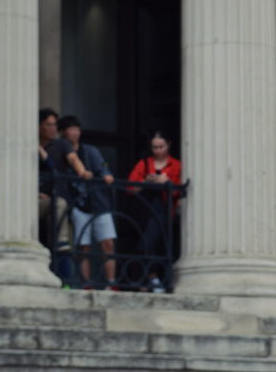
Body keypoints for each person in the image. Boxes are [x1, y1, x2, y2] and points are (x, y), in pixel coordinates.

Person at [51, 115, 118, 288]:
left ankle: (112, 283)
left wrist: (106, 175)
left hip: (99, 203)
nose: (75, 133)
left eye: (77, 129)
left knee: (108, 243)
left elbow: (102, 167)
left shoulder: (90, 151)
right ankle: (86, 283)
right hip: (78, 204)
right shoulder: (59, 151)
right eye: (71, 129)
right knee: (83, 246)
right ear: (63, 133)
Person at [126, 131, 182, 292]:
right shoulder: (144, 163)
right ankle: (150, 280)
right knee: (143, 244)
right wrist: (147, 181)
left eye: (161, 147)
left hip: (164, 210)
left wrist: (167, 182)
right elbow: (130, 187)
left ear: (168, 145)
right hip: (144, 212)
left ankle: (155, 279)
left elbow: (179, 189)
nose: (158, 151)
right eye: (154, 147)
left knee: (153, 244)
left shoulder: (176, 165)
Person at [37, 108, 71, 250]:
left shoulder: (60, 145)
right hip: (26, 202)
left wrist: (83, 172)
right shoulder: (27, 145)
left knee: (59, 204)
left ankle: (61, 243)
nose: (53, 129)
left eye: (54, 125)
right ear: (39, 126)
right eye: (48, 125)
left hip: (50, 199)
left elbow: (54, 167)